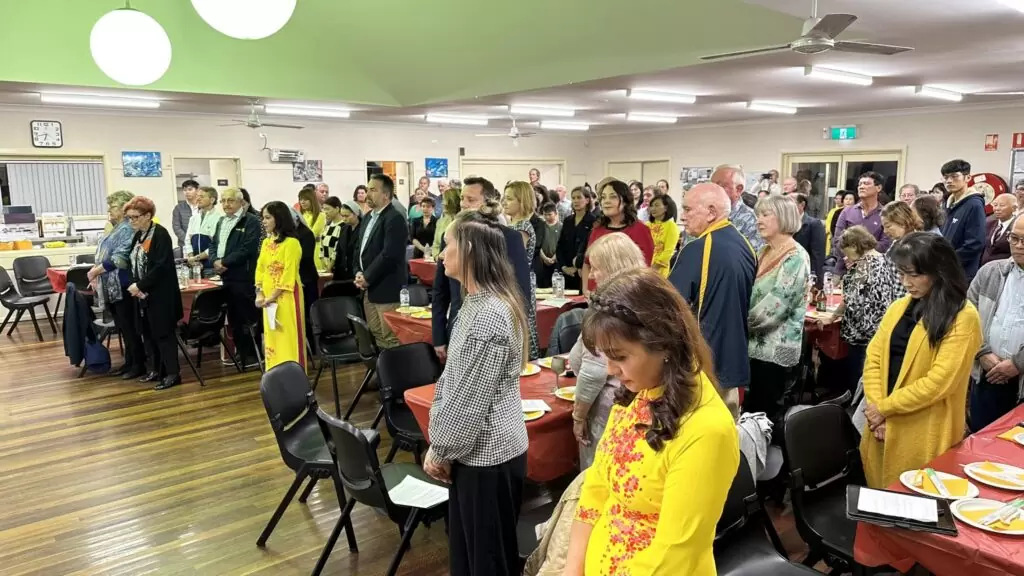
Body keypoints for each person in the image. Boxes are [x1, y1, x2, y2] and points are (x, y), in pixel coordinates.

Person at [564, 268, 739, 576]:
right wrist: (572, 569)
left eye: (620, 357)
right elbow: (596, 489)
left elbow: (675, 554)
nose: (610, 370)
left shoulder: (706, 430)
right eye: (606, 357)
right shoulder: (637, 394)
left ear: (664, 344)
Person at [424, 210, 531, 576]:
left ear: (468, 250)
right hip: (479, 454)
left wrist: (441, 449)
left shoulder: (488, 314)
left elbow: (468, 403)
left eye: (447, 245)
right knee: (472, 557)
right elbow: (454, 383)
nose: (441, 254)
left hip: (487, 457)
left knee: (486, 562)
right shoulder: (477, 303)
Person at [861, 232, 982, 488]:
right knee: (880, 495)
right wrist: (876, 409)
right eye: (902, 274)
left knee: (916, 495)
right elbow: (874, 358)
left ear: (939, 272)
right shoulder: (899, 307)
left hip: (923, 426)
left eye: (914, 275)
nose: (906, 282)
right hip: (881, 421)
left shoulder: (963, 316)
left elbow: (939, 382)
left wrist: (884, 408)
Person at [669, 182, 756, 414]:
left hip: (703, 364)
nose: (682, 217)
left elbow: (668, 307)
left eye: (688, 209)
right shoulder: (745, 245)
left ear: (711, 212)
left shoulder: (697, 249)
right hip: (735, 359)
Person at [432, 177, 532, 362]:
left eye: (471, 200)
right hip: (457, 327)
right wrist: (438, 335)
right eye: (462, 198)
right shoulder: (452, 234)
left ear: (487, 203)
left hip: (496, 333)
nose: (463, 204)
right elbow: (440, 290)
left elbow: (521, 291)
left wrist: (515, 334)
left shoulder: (508, 237)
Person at [570, 233, 647, 468]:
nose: (591, 275)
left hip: (609, 410)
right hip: (637, 405)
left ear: (612, 266)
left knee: (600, 471)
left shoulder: (609, 308)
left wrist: (578, 416)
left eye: (595, 268)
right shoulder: (644, 294)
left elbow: (594, 372)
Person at [744, 195, 810, 422]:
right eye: (758, 215)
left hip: (776, 349)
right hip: (755, 346)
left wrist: (740, 324)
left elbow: (777, 306)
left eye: (765, 215)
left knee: (767, 414)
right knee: (753, 411)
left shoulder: (796, 256)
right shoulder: (764, 251)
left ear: (783, 217)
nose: (758, 220)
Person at [826, 226, 905, 395]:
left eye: (846, 251)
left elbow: (851, 299)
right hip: (878, 331)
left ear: (855, 246)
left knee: (858, 379)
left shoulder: (865, 266)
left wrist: (832, 317)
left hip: (862, 334)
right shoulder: (883, 259)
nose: (845, 256)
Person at [967, 216, 1024, 431]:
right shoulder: (990, 272)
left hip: (1021, 383)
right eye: (1014, 238)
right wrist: (982, 352)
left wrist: (1018, 364)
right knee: (981, 437)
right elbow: (966, 318)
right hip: (987, 375)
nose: (1019, 246)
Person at [124, 196, 183, 390]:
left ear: (148, 215)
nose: (131, 221)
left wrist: (141, 285)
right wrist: (134, 284)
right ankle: (156, 370)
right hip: (142, 294)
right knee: (148, 333)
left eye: (135, 217)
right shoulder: (138, 235)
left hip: (160, 294)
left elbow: (161, 266)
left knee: (164, 334)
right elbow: (132, 262)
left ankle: (173, 374)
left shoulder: (160, 234)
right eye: (129, 217)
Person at [88, 190, 147, 380]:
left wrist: (96, 271)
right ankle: (129, 362)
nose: (109, 211)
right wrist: (97, 268)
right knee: (123, 327)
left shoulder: (128, 229)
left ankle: (138, 364)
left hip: (123, 284)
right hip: (112, 286)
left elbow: (119, 258)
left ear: (124, 208)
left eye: (113, 207)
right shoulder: (116, 227)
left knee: (130, 328)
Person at [208, 187, 262, 368]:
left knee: (247, 316)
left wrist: (225, 262)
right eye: (223, 201)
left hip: (243, 277)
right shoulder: (221, 221)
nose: (226, 204)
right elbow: (214, 244)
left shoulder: (251, 221)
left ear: (241, 202)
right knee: (233, 318)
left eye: (230, 200)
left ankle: (253, 355)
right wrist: (215, 260)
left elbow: (248, 248)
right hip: (225, 276)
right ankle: (240, 353)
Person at [354, 174, 407, 350]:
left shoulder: (394, 218)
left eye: (373, 190)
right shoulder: (368, 217)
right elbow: (359, 249)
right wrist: (358, 272)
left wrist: (367, 277)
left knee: (391, 337)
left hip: (387, 287)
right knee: (376, 334)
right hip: (369, 288)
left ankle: (393, 367)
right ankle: (383, 366)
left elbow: (389, 254)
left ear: (386, 195)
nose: (367, 194)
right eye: (367, 189)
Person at [255, 202, 306, 370]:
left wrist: (271, 297)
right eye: (263, 218)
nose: (264, 221)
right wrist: (260, 293)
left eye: (267, 218)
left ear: (279, 219)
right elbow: (260, 269)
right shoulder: (266, 243)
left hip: (287, 296)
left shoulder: (292, 243)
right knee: (272, 336)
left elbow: (288, 275)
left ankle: (294, 375)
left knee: (289, 336)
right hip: (268, 297)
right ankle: (275, 374)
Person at [581, 180, 655, 294]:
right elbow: (587, 264)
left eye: (613, 197)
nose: (606, 201)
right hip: (595, 295)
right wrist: (585, 290)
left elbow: (643, 270)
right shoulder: (597, 230)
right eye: (603, 197)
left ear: (625, 200)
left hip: (625, 295)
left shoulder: (640, 230)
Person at [503, 181, 541, 359]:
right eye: (504, 198)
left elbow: (515, 259)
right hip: (511, 281)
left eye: (510, 199)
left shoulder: (522, 227)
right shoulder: (511, 225)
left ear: (522, 201)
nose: (504, 202)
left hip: (518, 282)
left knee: (521, 324)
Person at [833, 172, 891, 276]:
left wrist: (860, 259)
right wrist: (849, 257)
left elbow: (885, 244)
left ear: (878, 188)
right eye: (860, 184)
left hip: (873, 271)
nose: (861, 187)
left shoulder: (885, 214)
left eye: (866, 184)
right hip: (844, 268)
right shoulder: (847, 211)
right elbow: (837, 240)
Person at [940, 159, 987, 281]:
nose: (949, 181)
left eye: (954, 176)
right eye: (945, 177)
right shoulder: (948, 204)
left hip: (962, 273)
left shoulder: (974, 204)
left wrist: (948, 261)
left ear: (968, 178)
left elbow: (975, 243)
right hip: (944, 269)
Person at [713, 165, 764, 252]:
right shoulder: (708, 214)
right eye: (712, 186)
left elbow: (752, 255)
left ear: (738, 190)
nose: (712, 191)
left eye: (720, 186)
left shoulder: (750, 219)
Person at [556, 187, 596, 292]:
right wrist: (564, 267)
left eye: (579, 197)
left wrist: (578, 265)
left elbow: (591, 248)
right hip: (566, 272)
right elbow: (560, 245)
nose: (576, 201)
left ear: (587, 200)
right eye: (573, 198)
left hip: (583, 271)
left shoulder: (594, 221)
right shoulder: (568, 221)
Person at [183, 186, 223, 274]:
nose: (198, 199)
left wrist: (196, 258)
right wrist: (192, 258)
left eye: (202, 196)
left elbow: (217, 245)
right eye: (198, 196)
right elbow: (187, 240)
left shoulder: (219, 218)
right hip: (195, 266)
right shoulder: (194, 218)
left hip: (211, 267)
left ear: (212, 200)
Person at [792, 193, 826, 289]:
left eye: (790, 203)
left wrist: (814, 282)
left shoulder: (813, 224)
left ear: (802, 205)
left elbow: (817, 256)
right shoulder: (783, 224)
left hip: (806, 275)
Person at [647, 195, 679, 278]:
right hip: (643, 264)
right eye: (651, 206)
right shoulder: (646, 225)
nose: (653, 208)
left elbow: (669, 250)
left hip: (659, 268)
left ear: (666, 208)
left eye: (656, 205)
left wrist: (654, 267)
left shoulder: (671, 226)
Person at [982, 194, 1018, 265]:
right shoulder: (988, 223)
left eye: (1002, 205)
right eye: (995, 205)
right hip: (984, 267)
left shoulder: (1017, 226)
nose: (997, 208)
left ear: (1014, 208)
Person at [330, 201, 362, 282]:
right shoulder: (344, 229)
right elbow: (339, 251)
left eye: (347, 216)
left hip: (356, 272)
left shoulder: (363, 229)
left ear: (356, 214)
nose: (344, 219)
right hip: (342, 272)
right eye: (342, 216)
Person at [298, 187, 326, 270]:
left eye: (305, 199)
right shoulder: (300, 215)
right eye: (300, 199)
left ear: (312, 200)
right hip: (301, 249)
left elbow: (312, 234)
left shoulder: (320, 215)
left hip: (315, 249)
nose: (302, 202)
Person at [318, 197, 347, 271]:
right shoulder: (327, 226)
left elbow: (337, 250)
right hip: (325, 267)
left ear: (337, 209)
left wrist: (330, 266)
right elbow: (321, 246)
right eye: (324, 209)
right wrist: (323, 263)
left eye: (327, 209)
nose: (325, 212)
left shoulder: (343, 226)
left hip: (336, 268)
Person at [432, 187, 461, 258]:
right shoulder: (440, 222)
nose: (442, 203)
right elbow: (435, 245)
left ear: (453, 202)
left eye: (444, 200)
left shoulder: (464, 223)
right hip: (440, 261)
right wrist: (437, 257)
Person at [538, 202, 562, 288]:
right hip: (542, 261)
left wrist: (554, 257)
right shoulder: (541, 226)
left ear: (555, 213)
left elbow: (561, 245)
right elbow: (538, 245)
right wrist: (544, 258)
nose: (547, 217)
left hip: (556, 260)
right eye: (545, 215)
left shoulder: (561, 227)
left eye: (550, 214)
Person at [171, 179, 200, 247]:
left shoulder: (203, 205)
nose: (187, 192)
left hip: (203, 243)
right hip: (185, 245)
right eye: (184, 190)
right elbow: (176, 227)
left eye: (190, 189)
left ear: (197, 190)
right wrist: (188, 240)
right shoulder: (179, 208)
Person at [825, 189, 848, 256]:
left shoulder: (843, 211)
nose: (837, 200)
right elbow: (828, 223)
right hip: (829, 236)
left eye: (839, 199)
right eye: (836, 198)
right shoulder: (833, 210)